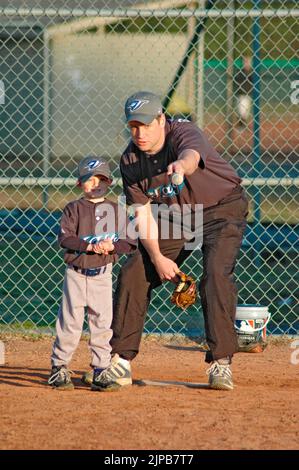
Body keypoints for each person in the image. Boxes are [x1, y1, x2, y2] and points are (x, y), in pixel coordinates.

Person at [94, 91, 249, 392]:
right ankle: (121, 361)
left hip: (223, 208)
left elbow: (191, 156)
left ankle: (221, 363)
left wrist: (181, 166)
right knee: (135, 269)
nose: (139, 133)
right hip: (179, 215)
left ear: (161, 120)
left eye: (146, 124)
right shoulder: (130, 160)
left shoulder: (183, 132)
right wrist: (157, 258)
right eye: (133, 126)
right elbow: (143, 215)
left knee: (216, 274)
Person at [48, 156, 136, 390]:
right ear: (80, 183)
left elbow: (130, 243)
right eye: (90, 179)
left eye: (102, 179)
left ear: (109, 183)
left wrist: (112, 247)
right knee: (70, 323)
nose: (96, 184)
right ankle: (59, 367)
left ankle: (100, 369)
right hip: (75, 275)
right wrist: (90, 246)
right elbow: (65, 239)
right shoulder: (73, 209)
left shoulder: (116, 211)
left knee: (102, 324)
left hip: (102, 275)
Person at [234, 56, 253, 128]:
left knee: (246, 113)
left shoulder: (252, 72)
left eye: (248, 62)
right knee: (241, 111)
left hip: (248, 95)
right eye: (245, 62)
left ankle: (242, 125)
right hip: (241, 94)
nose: (247, 63)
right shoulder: (240, 72)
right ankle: (241, 125)